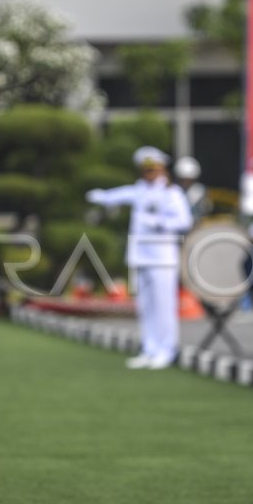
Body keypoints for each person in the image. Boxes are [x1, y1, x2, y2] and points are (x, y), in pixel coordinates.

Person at [86, 147, 193, 369]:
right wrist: (101, 197)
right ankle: (150, 347)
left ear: (162, 169)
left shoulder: (171, 193)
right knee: (146, 306)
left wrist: (160, 223)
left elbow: (184, 221)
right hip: (141, 256)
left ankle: (167, 349)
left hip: (162, 258)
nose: (148, 174)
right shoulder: (140, 190)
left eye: (152, 169)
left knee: (164, 306)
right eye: (145, 170)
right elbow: (119, 195)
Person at [173, 156, 212, 221]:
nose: (186, 183)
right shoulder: (173, 191)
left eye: (189, 180)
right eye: (183, 180)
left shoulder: (200, 191)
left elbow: (205, 211)